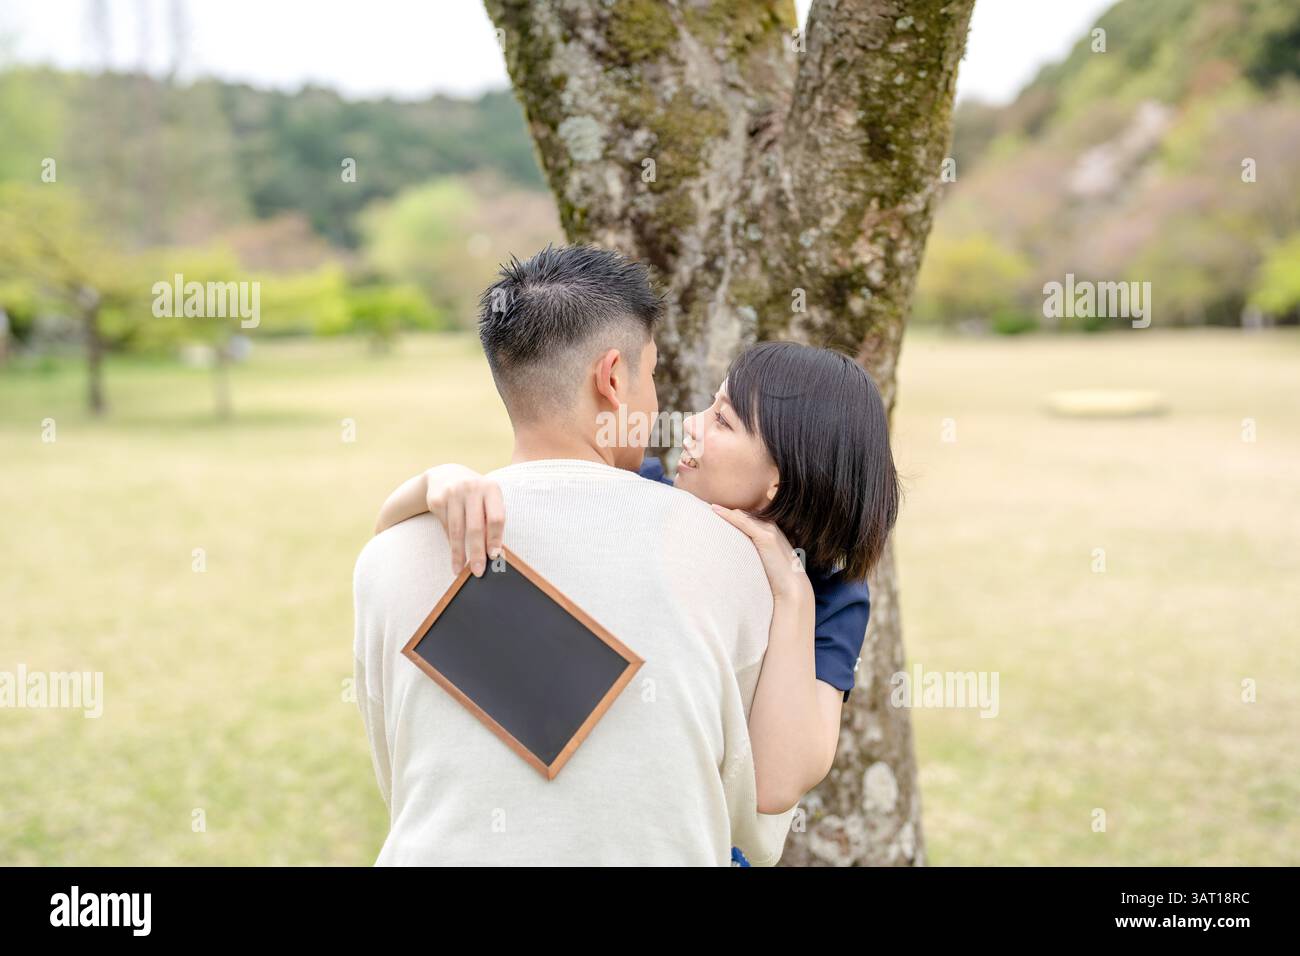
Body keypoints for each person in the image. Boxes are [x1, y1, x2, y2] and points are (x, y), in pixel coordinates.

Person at [353, 244, 798, 865]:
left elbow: (400, 774)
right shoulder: (735, 560)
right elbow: (751, 810)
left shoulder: (388, 557)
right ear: (613, 379)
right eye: (651, 376)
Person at [376, 343, 902, 867]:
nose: (690, 426)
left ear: (777, 480)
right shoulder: (639, 496)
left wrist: (791, 593)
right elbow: (391, 547)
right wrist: (435, 482)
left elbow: (777, 783)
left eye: (722, 420)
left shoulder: (830, 593)